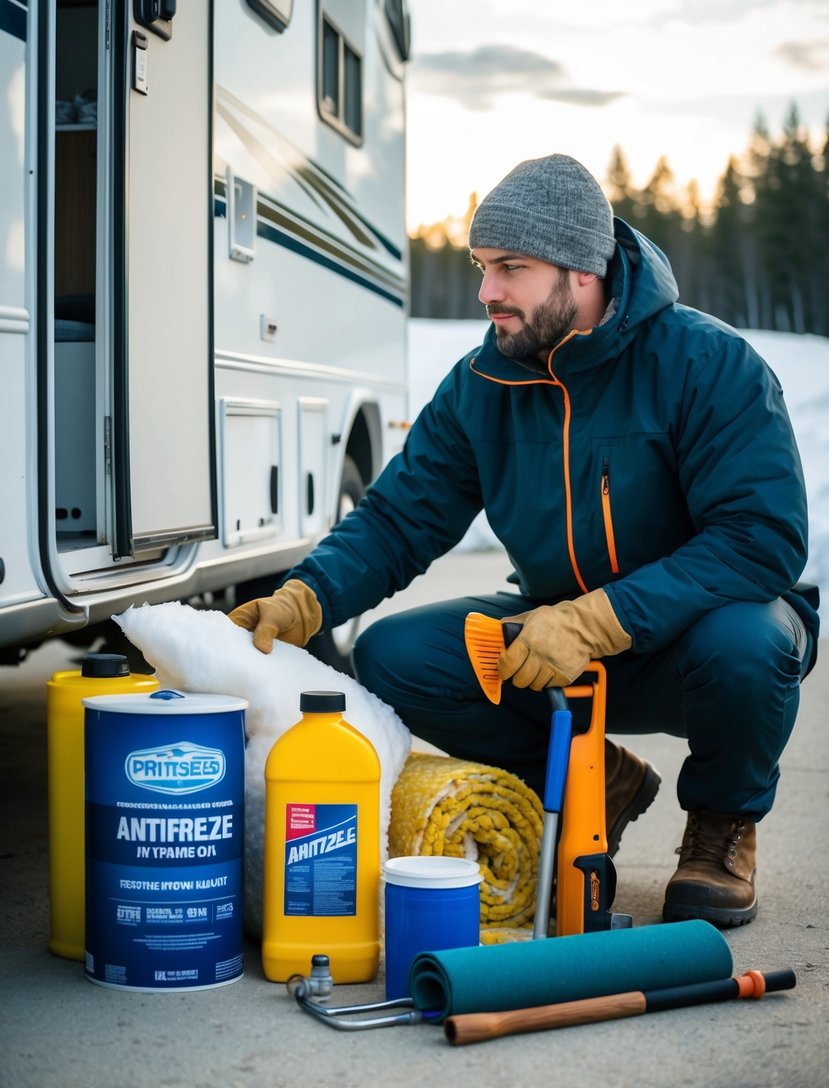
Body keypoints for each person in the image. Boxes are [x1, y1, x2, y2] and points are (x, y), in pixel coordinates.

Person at [230, 153, 820, 928]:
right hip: (548, 641)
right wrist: (308, 597)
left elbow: (760, 539)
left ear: (582, 271)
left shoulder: (706, 364)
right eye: (481, 267)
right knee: (392, 656)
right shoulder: (485, 383)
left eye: (509, 267)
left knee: (751, 639)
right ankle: (591, 783)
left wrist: (594, 619)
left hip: (690, 643)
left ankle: (720, 828)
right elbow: (399, 518)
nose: (487, 293)